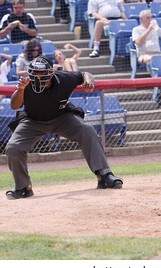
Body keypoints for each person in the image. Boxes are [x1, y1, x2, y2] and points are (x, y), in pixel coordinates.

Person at [5, 55, 123, 199]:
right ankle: (23, 187)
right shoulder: (26, 83)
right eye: (35, 72)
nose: (37, 76)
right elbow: (14, 105)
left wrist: (88, 81)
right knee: (13, 147)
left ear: (51, 73)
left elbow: (85, 74)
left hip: (61, 117)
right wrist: (21, 90)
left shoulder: (64, 78)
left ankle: (104, 175)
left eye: (41, 73)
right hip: (32, 121)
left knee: (87, 130)